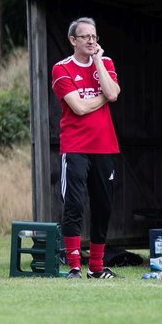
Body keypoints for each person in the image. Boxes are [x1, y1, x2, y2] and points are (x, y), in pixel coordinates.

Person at [52, 17, 121, 279]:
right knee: (75, 204)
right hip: (76, 146)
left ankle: (96, 267)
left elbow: (112, 93)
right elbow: (78, 108)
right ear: (73, 41)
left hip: (105, 146)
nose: (92, 41)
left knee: (103, 206)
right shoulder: (62, 69)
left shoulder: (106, 63)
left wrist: (99, 63)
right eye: (85, 37)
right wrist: (104, 98)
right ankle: (73, 266)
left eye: (94, 36)